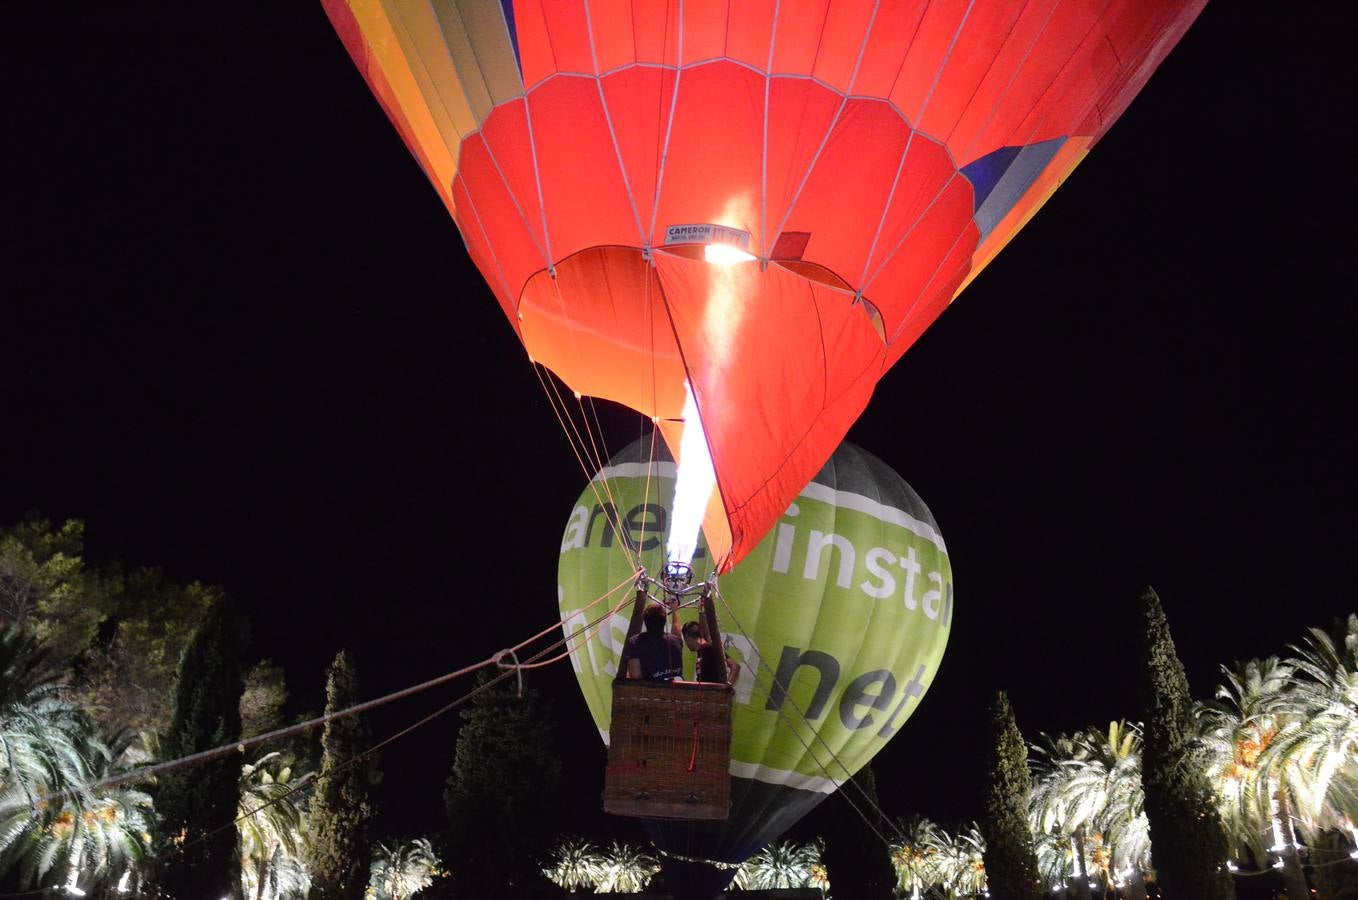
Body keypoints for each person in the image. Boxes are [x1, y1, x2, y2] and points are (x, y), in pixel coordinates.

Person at [623, 602, 683, 681]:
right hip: (678, 690)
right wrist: (674, 612)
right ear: (664, 621)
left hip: (652, 691)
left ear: (645, 621)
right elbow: (676, 634)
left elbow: (636, 675)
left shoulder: (635, 641)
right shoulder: (676, 641)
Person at [681, 620, 741, 685]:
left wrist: (727, 686)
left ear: (686, 637)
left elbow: (735, 666)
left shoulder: (709, 649)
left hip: (714, 693)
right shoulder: (701, 651)